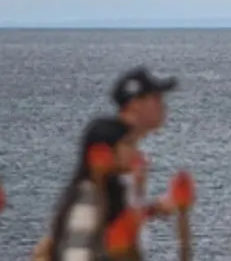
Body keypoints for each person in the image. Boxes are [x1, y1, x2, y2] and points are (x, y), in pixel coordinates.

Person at [43, 116, 138, 260]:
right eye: (128, 144)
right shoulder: (88, 198)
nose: (134, 151)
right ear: (103, 152)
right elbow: (75, 254)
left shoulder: (107, 193)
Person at [111, 67, 180, 255]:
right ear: (135, 105)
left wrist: (151, 210)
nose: (164, 106)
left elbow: (117, 214)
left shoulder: (133, 155)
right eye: (156, 99)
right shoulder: (115, 153)